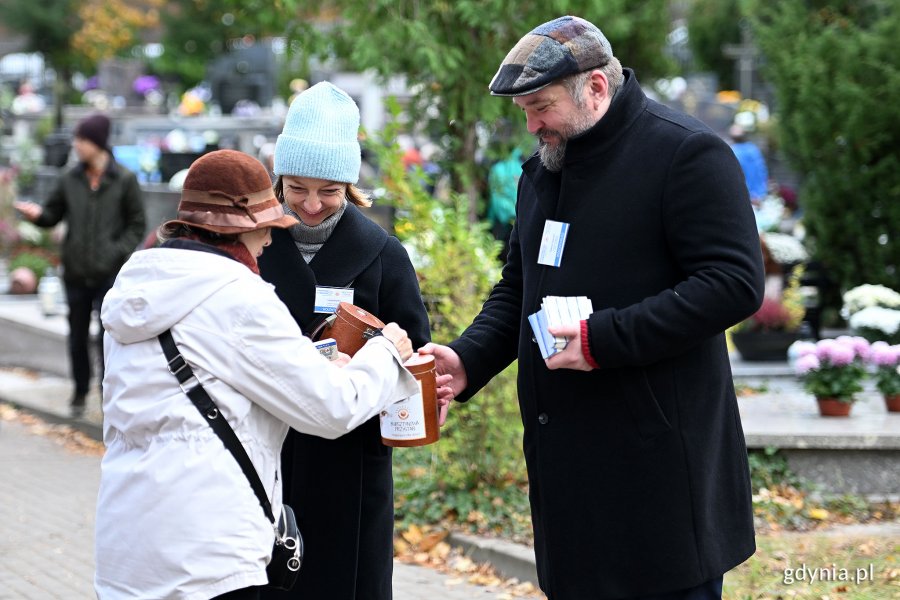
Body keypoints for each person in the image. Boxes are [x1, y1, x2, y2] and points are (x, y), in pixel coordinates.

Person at [419, 16, 765, 600]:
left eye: (541, 106)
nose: (531, 125)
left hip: (657, 478)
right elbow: (517, 289)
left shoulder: (686, 153)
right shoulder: (544, 170)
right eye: (523, 111)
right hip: (568, 481)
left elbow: (733, 283)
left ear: (596, 89)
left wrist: (601, 339)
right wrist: (467, 358)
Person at [94, 149, 420, 600]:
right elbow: (331, 407)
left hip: (127, 547)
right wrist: (384, 354)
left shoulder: (135, 290)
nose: (269, 242)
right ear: (239, 230)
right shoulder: (239, 298)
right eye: (266, 227)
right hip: (208, 556)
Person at [257, 82, 432, 600]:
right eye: (298, 187)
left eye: (329, 190)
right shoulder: (254, 245)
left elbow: (414, 348)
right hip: (270, 451)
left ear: (351, 186)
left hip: (351, 463)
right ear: (279, 179)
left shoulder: (382, 254)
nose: (311, 204)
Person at [14, 113, 146, 417]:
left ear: (98, 143)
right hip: (75, 271)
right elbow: (53, 215)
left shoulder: (123, 180)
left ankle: (105, 395)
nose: (77, 145)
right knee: (76, 336)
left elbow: (136, 225)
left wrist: (115, 252)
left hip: (108, 274)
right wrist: (37, 215)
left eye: (82, 140)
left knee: (106, 337)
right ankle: (79, 392)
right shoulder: (69, 179)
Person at [486, 146, 524, 262]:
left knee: (499, 247)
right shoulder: (522, 168)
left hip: (500, 214)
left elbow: (493, 193)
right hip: (518, 214)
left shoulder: (497, 168)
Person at [728, 123, 769, 203]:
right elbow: (762, 170)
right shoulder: (753, 149)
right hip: (758, 193)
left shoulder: (732, 151)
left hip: (743, 195)